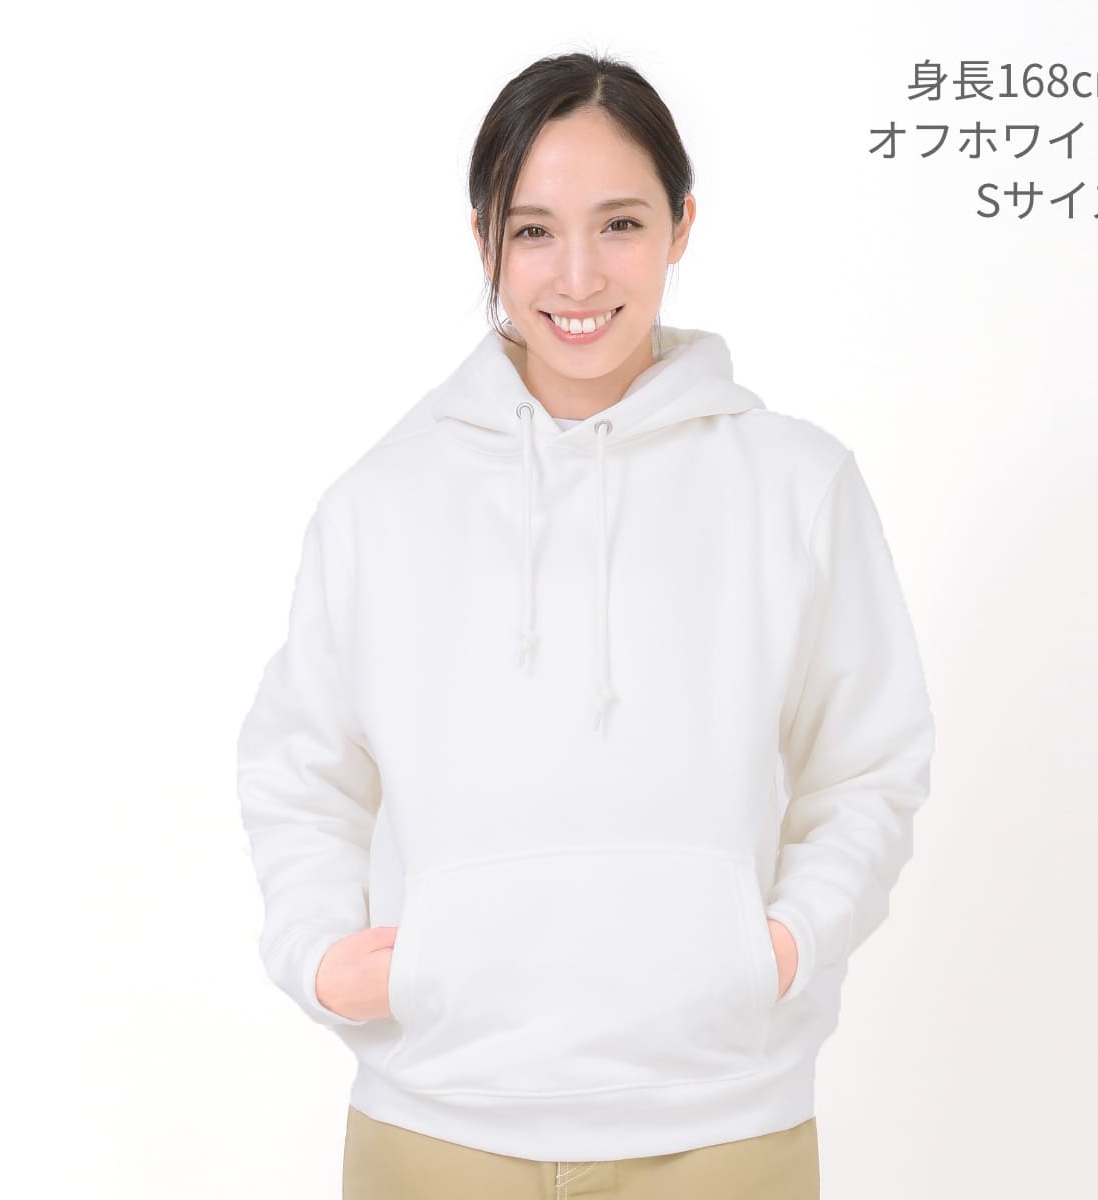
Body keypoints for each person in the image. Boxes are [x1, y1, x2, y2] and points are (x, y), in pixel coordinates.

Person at [237, 50, 936, 1200]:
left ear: (681, 225)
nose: (577, 276)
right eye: (533, 231)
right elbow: (300, 767)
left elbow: (869, 765)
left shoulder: (796, 486)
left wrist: (782, 947)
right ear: (483, 241)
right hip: (436, 1121)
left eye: (620, 224)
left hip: (723, 1125)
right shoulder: (379, 503)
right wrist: (321, 956)